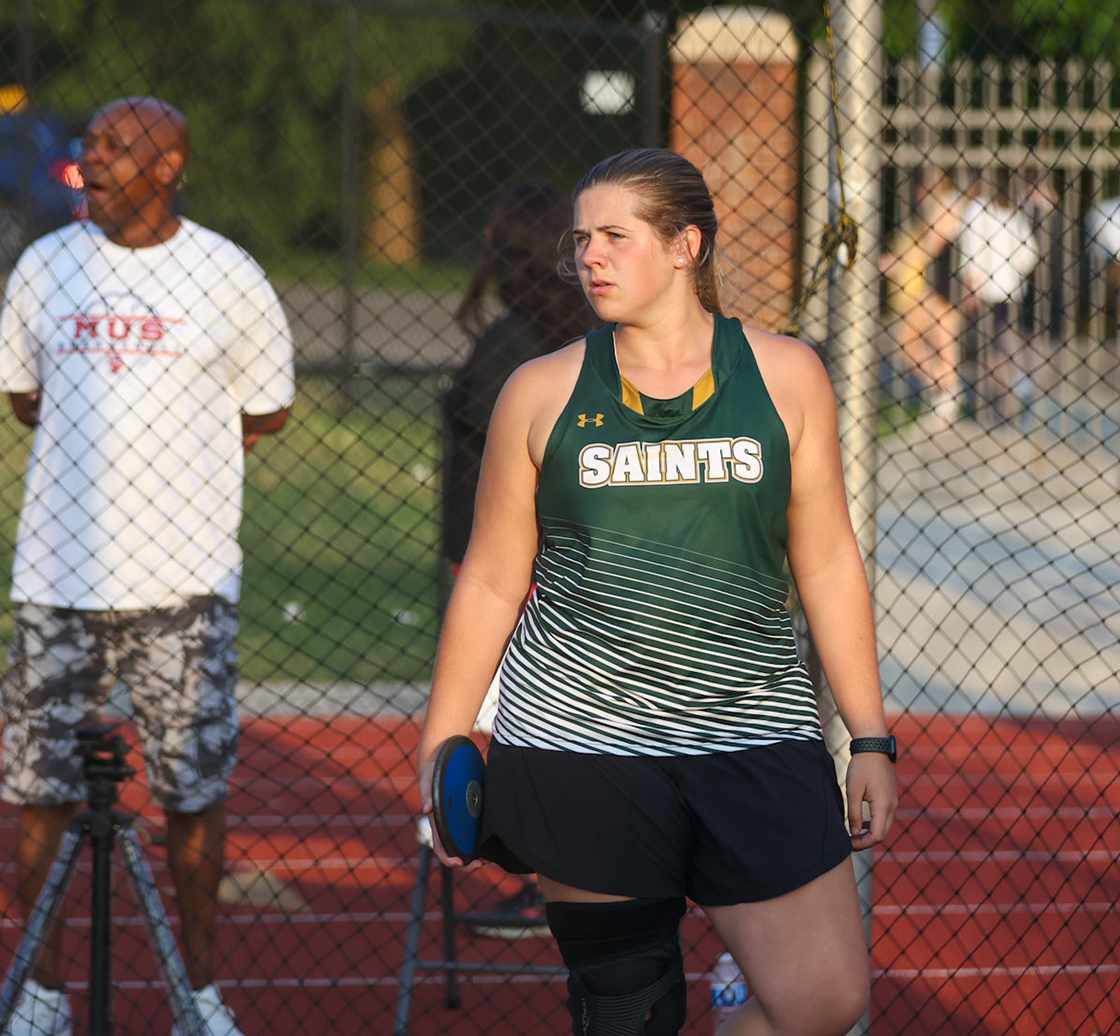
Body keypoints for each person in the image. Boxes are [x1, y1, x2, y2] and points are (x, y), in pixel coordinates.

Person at [418, 148, 897, 1036]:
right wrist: (445, 738)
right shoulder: (541, 390)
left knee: (825, 1002)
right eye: (580, 239)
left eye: (615, 236)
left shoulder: (786, 377)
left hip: (754, 729)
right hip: (581, 743)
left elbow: (828, 559)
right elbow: (490, 577)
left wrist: (869, 735)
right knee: (628, 1015)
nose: (589, 257)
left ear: (687, 246)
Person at [0, 98, 295, 1036]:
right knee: (41, 792)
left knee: (192, 797)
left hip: (184, 587)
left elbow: (268, 408)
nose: (95, 160)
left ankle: (197, 1000)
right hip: (56, 580)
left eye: (118, 149)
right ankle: (42, 993)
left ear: (168, 169)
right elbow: (25, 397)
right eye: (91, 146)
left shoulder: (226, 275)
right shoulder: (47, 265)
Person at [440, 178, 594, 938]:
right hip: (551, 564)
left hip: (512, 568)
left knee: (527, 733)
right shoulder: (576, 340)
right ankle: (557, 870)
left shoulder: (512, 349)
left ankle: (549, 878)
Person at [880, 170, 962, 429]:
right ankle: (944, 392)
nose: (917, 197)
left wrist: (895, 262)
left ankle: (947, 397)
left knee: (943, 346)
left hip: (949, 288)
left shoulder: (948, 207)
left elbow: (929, 247)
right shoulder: (934, 211)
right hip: (934, 287)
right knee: (909, 343)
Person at [957, 176, 1038, 421]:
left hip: (986, 291)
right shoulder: (1011, 213)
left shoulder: (976, 209)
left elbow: (970, 250)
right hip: (1010, 290)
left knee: (991, 349)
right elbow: (1029, 254)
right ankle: (1015, 393)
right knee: (1005, 344)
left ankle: (1003, 400)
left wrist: (970, 284)